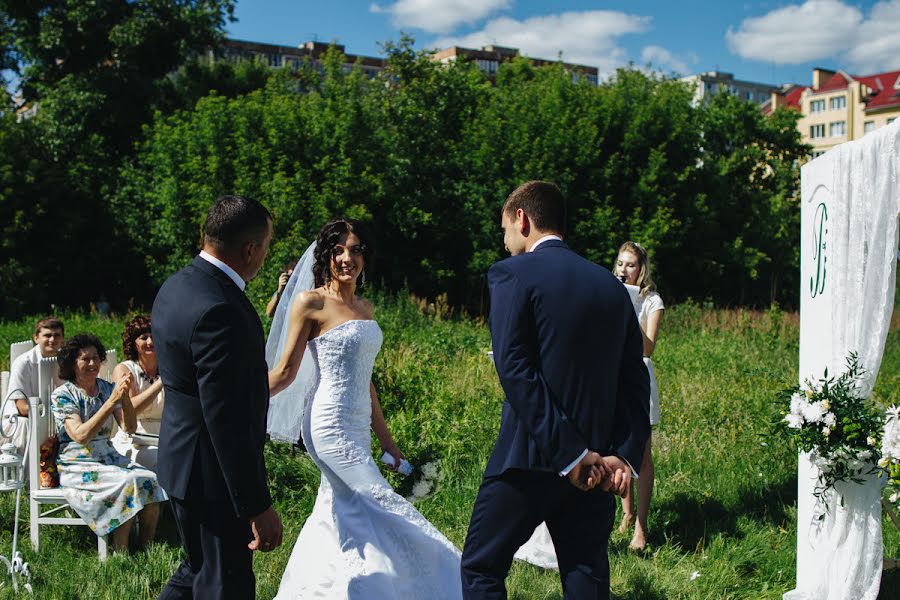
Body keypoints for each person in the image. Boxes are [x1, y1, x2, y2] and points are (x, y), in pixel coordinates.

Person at [460, 181, 650, 600]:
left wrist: (570, 453)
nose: (505, 241)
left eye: (505, 229)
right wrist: (621, 454)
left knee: (480, 567)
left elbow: (515, 368)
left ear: (522, 219)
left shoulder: (510, 273)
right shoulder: (612, 289)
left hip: (529, 460)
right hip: (600, 466)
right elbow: (636, 382)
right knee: (586, 579)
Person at [267, 217, 462, 599]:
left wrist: (386, 440)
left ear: (365, 257)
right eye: (338, 250)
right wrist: (238, 400)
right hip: (326, 425)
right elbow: (285, 371)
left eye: (355, 250)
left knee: (336, 510)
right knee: (377, 501)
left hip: (357, 425)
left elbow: (365, 381)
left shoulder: (366, 307)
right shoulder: (311, 302)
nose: (346, 258)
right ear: (325, 256)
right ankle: (445, 578)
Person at [153, 195, 282, 599]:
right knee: (226, 584)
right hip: (212, 478)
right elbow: (226, 420)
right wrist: (256, 505)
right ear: (250, 249)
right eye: (265, 248)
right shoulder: (223, 308)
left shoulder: (177, 286)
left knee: (197, 572)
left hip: (180, 462)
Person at [50, 334, 166, 551]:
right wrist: (111, 401)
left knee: (151, 479)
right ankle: (120, 550)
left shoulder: (105, 388)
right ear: (72, 363)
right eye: (86, 359)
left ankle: (146, 547)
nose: (93, 364)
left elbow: (128, 428)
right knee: (129, 481)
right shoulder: (63, 395)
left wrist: (125, 401)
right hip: (78, 462)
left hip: (108, 456)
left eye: (96, 358)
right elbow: (81, 436)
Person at [613, 241, 664, 551]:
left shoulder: (651, 301)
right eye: (620, 263)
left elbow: (648, 347)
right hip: (615, 376)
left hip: (640, 376)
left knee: (642, 454)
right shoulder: (610, 292)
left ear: (641, 268)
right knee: (620, 449)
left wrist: (629, 316)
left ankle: (641, 529)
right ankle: (626, 514)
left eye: (630, 264)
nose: (624, 269)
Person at [2, 317, 65, 452]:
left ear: (62, 339)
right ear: (36, 338)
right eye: (47, 335)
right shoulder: (23, 363)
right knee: (26, 426)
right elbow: (22, 408)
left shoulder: (66, 362)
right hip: (20, 422)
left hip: (56, 420)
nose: (52, 340)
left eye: (57, 335)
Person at [111, 315, 165, 471]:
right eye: (144, 338)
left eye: (154, 336)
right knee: (162, 461)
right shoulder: (125, 370)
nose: (150, 342)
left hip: (165, 436)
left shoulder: (167, 367)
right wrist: (160, 383)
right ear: (134, 343)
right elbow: (130, 408)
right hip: (135, 439)